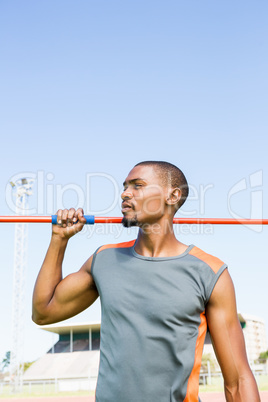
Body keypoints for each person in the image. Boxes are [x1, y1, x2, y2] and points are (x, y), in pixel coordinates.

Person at [32, 161, 260, 402]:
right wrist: (59, 240)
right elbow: (44, 312)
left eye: (137, 186)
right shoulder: (103, 260)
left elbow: (238, 381)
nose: (124, 193)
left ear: (173, 195)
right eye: (125, 187)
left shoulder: (210, 271)